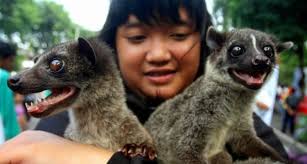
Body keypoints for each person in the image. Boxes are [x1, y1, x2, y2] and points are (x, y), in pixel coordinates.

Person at [0, 0, 288, 163]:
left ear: (205, 45)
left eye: (178, 35)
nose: (159, 54)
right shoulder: (65, 119)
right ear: (114, 44)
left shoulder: (237, 118)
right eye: (137, 37)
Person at [0, 40, 21, 142]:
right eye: (11, 60)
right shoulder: (3, 76)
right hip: (6, 136)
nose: (11, 64)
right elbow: (6, 112)